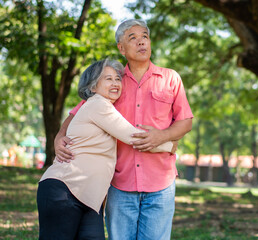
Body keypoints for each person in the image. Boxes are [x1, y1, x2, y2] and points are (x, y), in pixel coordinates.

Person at [55, 19, 193, 240]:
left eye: (144, 37)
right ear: (121, 47)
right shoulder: (112, 82)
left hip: (161, 183)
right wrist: (59, 137)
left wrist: (163, 136)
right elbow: (76, 113)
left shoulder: (170, 78)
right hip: (120, 183)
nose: (141, 42)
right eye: (133, 38)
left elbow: (186, 121)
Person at [37, 59, 175, 240]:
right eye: (108, 79)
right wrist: (170, 144)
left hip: (90, 200)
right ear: (93, 87)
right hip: (65, 190)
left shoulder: (104, 107)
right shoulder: (98, 104)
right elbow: (132, 136)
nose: (115, 83)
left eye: (118, 79)